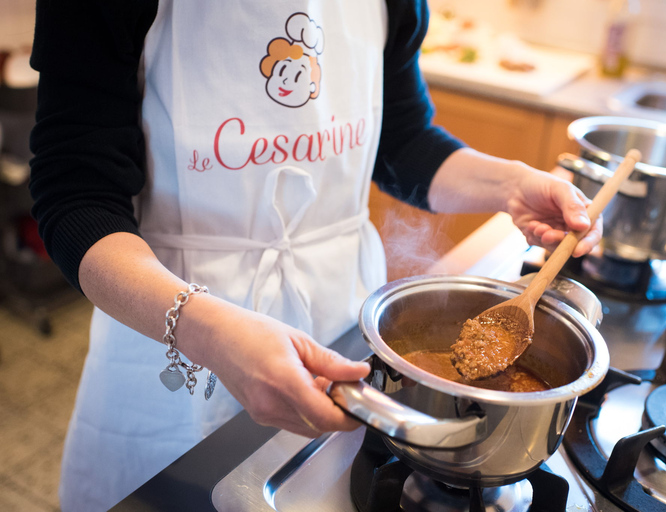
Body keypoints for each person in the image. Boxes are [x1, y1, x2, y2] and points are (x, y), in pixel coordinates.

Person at [29, 1, 601, 510]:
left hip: (339, 325)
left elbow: (401, 138)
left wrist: (508, 186)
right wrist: (210, 332)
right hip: (171, 322)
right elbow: (77, 198)